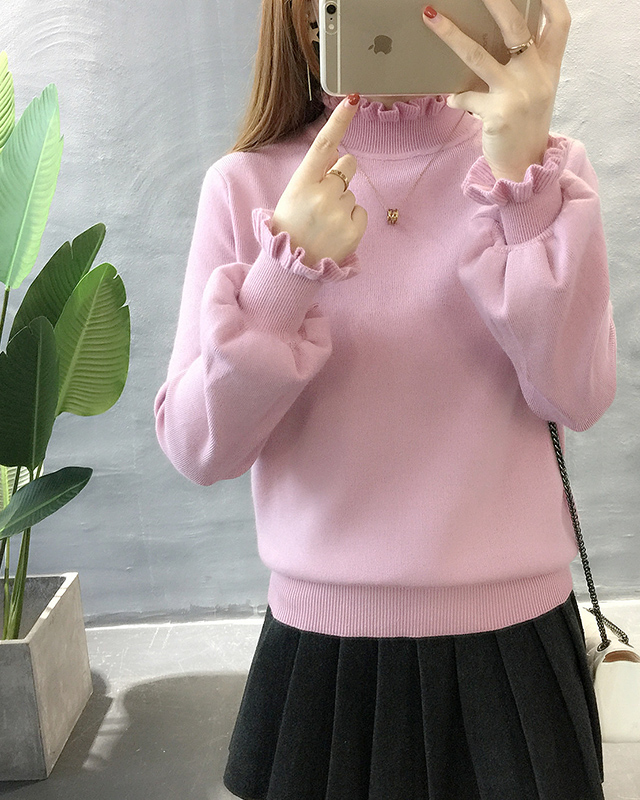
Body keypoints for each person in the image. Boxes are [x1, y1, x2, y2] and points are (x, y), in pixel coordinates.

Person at [154, 0, 616, 796]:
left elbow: (578, 395)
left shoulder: (544, 170)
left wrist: (524, 189)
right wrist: (283, 277)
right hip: (322, 656)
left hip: (515, 648)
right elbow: (199, 448)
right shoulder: (249, 184)